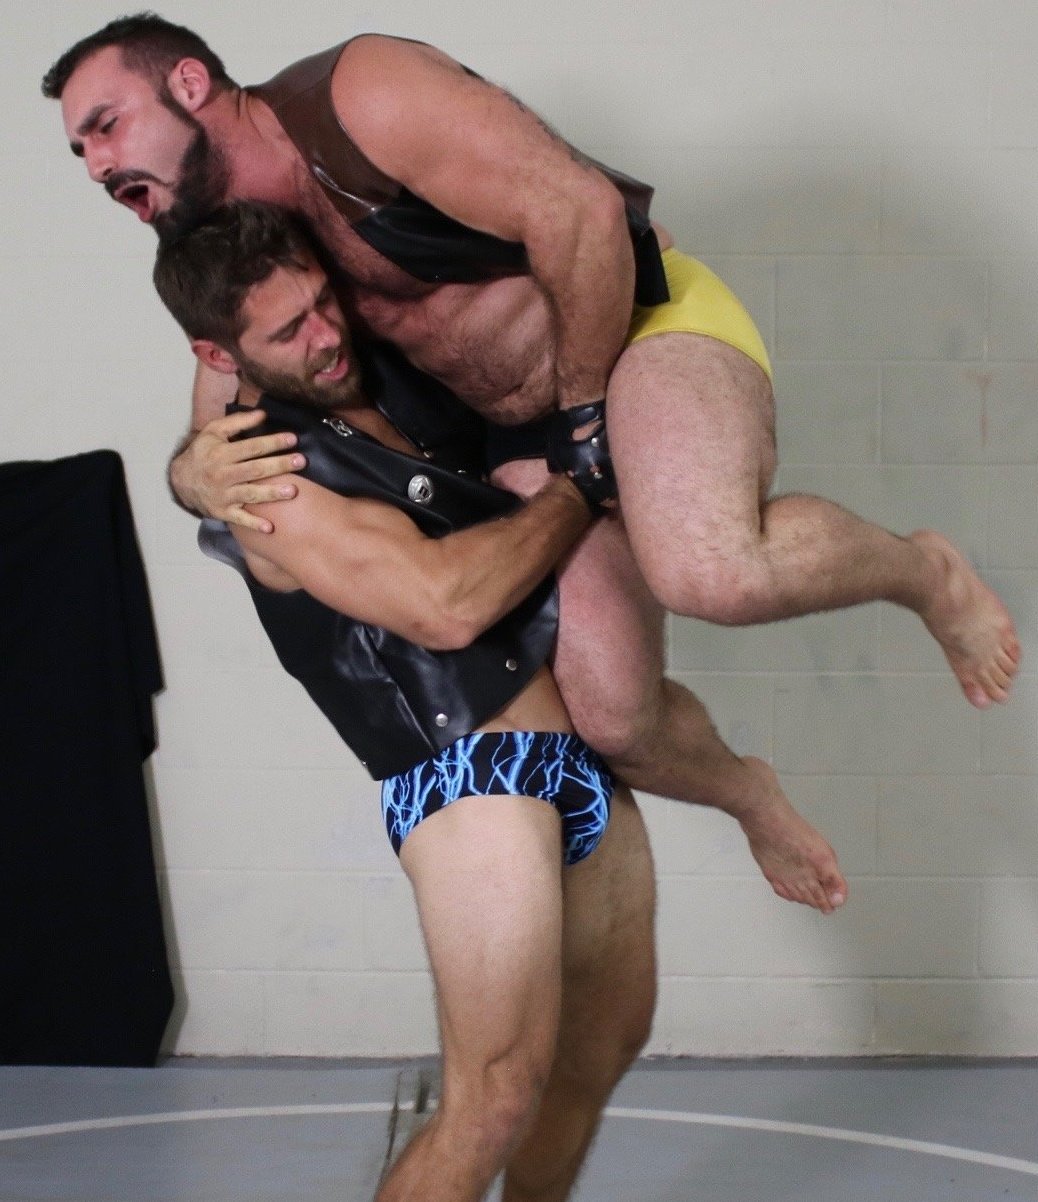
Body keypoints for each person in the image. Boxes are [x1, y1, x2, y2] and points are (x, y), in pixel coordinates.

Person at [58, 12, 1024, 911]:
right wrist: (192, 477)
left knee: (710, 568)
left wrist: (587, 418)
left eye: (106, 126)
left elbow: (583, 215)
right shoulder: (226, 241)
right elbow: (224, 413)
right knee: (611, 717)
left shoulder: (362, 97)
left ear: (190, 83)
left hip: (637, 331)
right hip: (532, 432)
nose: (98, 166)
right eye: (81, 151)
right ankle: (748, 792)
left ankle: (923, 571)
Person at [152, 200, 656, 1202]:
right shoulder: (267, 477)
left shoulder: (386, 375)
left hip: (574, 762)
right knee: (495, 1096)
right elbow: (447, 603)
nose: (324, 333)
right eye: (288, 330)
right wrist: (577, 487)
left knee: (599, 1051)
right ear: (221, 354)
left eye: (321, 302)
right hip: (469, 781)